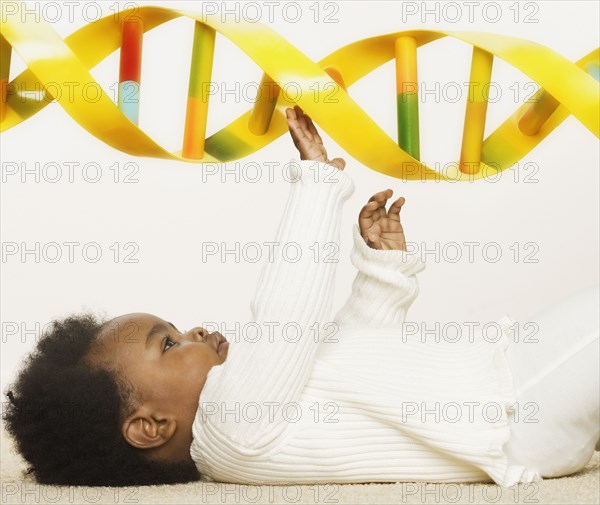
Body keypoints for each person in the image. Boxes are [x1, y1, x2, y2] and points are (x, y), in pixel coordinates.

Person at [4, 106, 598, 487]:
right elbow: (288, 316)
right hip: (513, 408)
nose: (194, 332)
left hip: (511, 396)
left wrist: (381, 270)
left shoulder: (252, 414)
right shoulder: (230, 430)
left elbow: (354, 351)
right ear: (151, 426)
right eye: (169, 343)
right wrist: (316, 186)